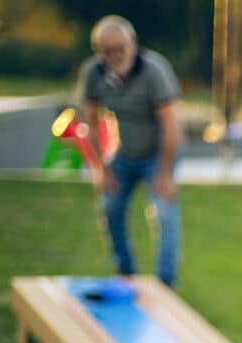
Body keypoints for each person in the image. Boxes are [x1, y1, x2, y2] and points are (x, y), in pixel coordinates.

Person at [79, 15, 182, 288]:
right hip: (123, 155)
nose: (115, 55)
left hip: (158, 154)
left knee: (163, 214)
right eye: (107, 51)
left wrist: (164, 173)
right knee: (109, 206)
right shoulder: (94, 73)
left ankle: (165, 285)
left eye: (120, 48)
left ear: (133, 44)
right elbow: (89, 122)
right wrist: (101, 169)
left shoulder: (154, 71)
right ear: (98, 52)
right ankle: (126, 276)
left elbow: (171, 125)